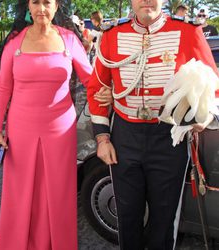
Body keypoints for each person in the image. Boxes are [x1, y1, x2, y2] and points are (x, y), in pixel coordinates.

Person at [87, 0, 219, 249]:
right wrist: (102, 138)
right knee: (127, 216)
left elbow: (214, 85)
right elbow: (97, 89)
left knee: (165, 217)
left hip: (168, 137)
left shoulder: (188, 31)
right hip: (125, 135)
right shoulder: (112, 34)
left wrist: (203, 114)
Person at [0, 0, 111, 249]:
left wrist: (109, 93)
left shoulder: (69, 40)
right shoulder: (14, 42)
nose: (41, 8)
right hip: (20, 130)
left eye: (47, 2)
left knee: (58, 191)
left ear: (57, 6)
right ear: (28, 6)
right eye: (36, 2)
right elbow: (3, 87)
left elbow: (90, 79)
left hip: (60, 131)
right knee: (20, 192)